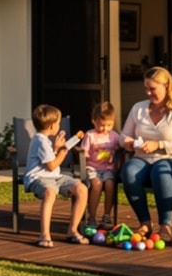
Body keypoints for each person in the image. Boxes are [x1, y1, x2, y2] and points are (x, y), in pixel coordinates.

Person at [120, 66, 172, 244]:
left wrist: (159, 145)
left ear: (167, 85)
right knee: (128, 171)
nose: (148, 93)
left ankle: (165, 225)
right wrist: (127, 142)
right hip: (143, 159)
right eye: (146, 88)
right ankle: (145, 223)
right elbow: (123, 135)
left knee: (160, 170)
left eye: (152, 88)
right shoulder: (138, 108)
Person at [23, 104, 89, 248]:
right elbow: (52, 165)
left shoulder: (44, 140)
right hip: (38, 178)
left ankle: (72, 230)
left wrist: (56, 148)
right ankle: (44, 234)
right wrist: (62, 152)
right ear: (52, 126)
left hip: (54, 177)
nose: (59, 126)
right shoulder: (40, 140)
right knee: (49, 193)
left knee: (81, 189)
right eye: (58, 123)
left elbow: (49, 160)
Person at [80, 101, 121, 228]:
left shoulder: (114, 136)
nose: (105, 129)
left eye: (109, 125)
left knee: (109, 184)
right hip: (92, 167)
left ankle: (107, 215)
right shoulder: (90, 135)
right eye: (102, 125)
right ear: (94, 121)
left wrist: (114, 154)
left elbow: (120, 148)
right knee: (96, 184)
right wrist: (84, 154)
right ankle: (92, 216)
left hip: (108, 168)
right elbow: (84, 151)